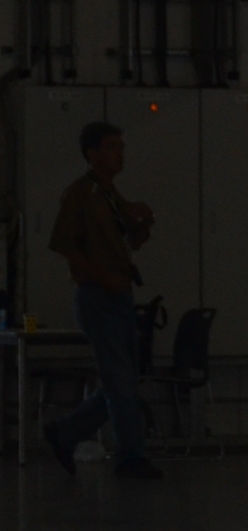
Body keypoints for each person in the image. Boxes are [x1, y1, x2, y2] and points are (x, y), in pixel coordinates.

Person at [42, 122, 163, 479]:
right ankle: (131, 456)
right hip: (98, 296)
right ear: (92, 154)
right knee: (120, 380)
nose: (119, 153)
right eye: (111, 147)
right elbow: (65, 245)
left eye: (121, 146)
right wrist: (101, 277)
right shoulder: (81, 194)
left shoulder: (111, 195)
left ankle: (65, 431)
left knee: (123, 379)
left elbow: (128, 243)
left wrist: (143, 222)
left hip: (120, 294)